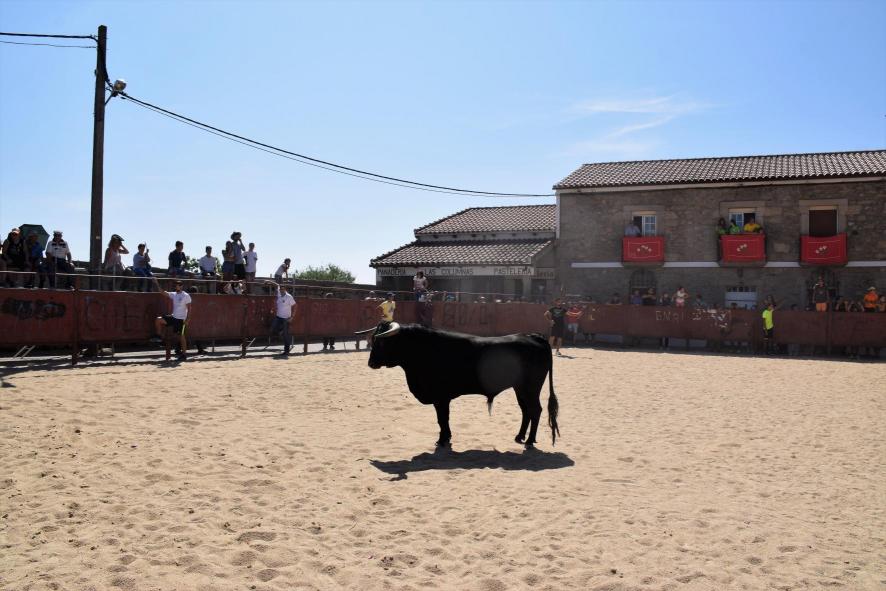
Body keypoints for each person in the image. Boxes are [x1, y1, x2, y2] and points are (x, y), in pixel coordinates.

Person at [151, 278, 191, 361]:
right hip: (173, 317)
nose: (176, 287)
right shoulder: (174, 294)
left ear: (181, 286)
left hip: (181, 319)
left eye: (177, 285)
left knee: (181, 337)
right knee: (158, 320)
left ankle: (184, 355)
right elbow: (162, 292)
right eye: (175, 285)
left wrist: (187, 319)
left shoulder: (186, 295)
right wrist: (156, 283)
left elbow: (189, 308)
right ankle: (159, 337)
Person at [269, 281, 297, 356]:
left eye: (283, 289)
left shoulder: (289, 297)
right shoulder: (279, 293)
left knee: (286, 335)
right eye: (280, 289)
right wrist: (268, 281)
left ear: (285, 290)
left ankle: (286, 351)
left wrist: (292, 317)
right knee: (272, 328)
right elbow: (277, 285)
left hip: (286, 318)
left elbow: (295, 306)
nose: (281, 290)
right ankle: (280, 332)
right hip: (278, 317)